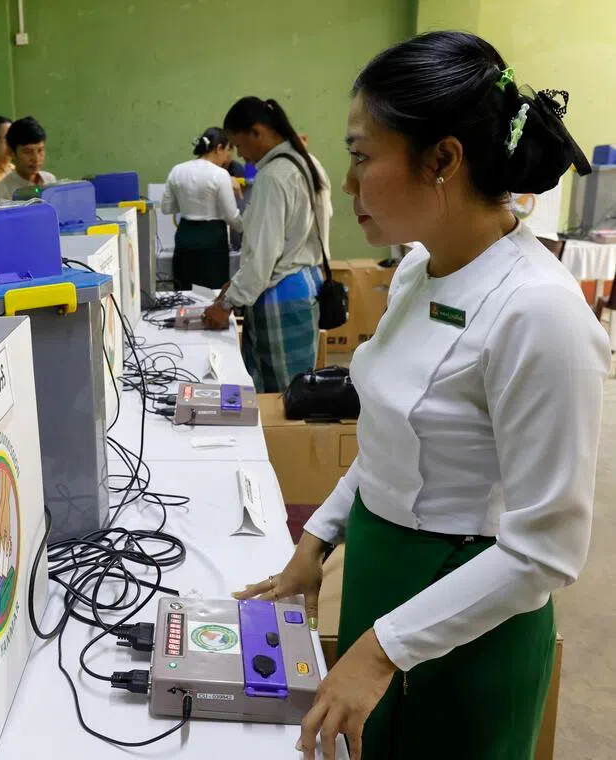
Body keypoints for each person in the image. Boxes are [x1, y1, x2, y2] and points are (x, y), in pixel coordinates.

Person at [236, 32, 607, 760]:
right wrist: (317, 540)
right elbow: (389, 440)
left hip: (471, 611)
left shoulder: (540, 312)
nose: (345, 184)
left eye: (362, 156)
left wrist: (379, 651)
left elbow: (547, 549)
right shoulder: (416, 273)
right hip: (383, 572)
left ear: (442, 160)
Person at [201, 97, 331, 393]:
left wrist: (226, 304)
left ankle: (278, 442)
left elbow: (262, 258)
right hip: (305, 283)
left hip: (280, 292)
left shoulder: (273, 176)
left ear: (257, 132)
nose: (240, 156)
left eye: (239, 144)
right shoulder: (309, 163)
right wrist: (234, 287)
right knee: (297, 389)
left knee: (277, 394)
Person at [160, 127, 242, 289]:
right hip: (212, 241)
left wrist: (185, 202)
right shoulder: (220, 175)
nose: (227, 158)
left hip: (184, 238)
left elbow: (166, 208)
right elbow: (232, 217)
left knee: (183, 296)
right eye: (227, 151)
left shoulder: (177, 170)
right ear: (218, 148)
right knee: (212, 295)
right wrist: (245, 228)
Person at [0, 116, 56, 203]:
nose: (36, 159)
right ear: (12, 152)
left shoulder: (50, 181)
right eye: (28, 152)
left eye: (40, 150)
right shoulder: (0, 195)